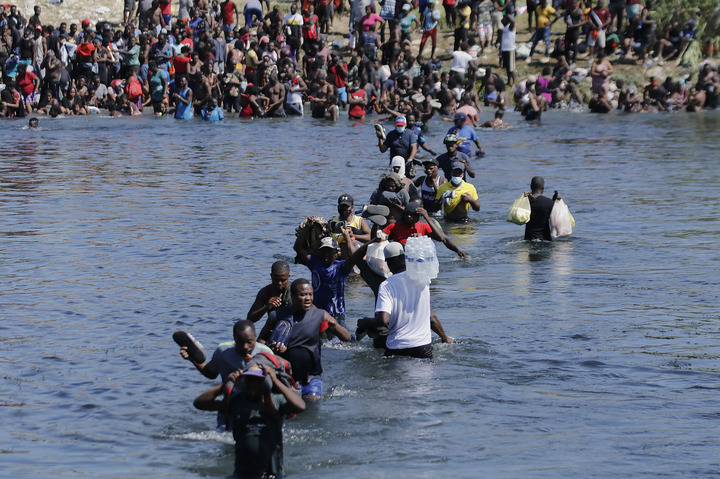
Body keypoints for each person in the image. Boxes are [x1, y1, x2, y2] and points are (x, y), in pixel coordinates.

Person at [193, 363, 306, 479]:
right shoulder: (236, 400)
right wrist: (224, 385)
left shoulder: (275, 400)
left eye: (257, 381)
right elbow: (199, 403)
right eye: (249, 380)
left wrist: (275, 380)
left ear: (265, 382)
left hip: (270, 474)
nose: (252, 384)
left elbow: (300, 406)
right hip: (241, 474)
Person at [357, 242, 453, 359]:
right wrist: (444, 337)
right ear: (405, 258)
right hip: (422, 347)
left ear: (388, 262)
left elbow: (383, 319)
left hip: (397, 348)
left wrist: (365, 322)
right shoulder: (423, 279)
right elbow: (431, 317)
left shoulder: (387, 285)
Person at [258, 278, 351, 399]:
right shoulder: (277, 315)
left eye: (310, 294)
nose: (308, 298)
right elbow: (260, 341)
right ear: (292, 296)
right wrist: (272, 348)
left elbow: (346, 338)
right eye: (303, 295)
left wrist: (335, 327)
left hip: (311, 377)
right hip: (284, 375)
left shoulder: (320, 315)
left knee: (311, 407)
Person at [179, 319, 273, 429]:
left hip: (257, 404)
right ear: (234, 339)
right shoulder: (223, 352)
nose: (245, 347)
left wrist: (253, 365)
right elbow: (210, 373)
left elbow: (273, 383)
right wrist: (192, 358)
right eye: (240, 342)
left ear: (255, 338)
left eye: (249, 342)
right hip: (230, 402)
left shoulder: (265, 353)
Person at [383, 202, 467, 259]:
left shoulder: (424, 226)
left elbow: (442, 238)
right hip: (400, 258)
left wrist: (458, 251)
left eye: (412, 215)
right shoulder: (393, 226)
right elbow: (378, 238)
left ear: (418, 217)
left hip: (418, 259)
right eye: (407, 214)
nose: (409, 217)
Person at [524, 176, 553, 241]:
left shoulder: (526, 201)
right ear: (543, 188)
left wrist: (524, 197)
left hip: (529, 240)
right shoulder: (549, 202)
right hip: (545, 240)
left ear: (531, 187)